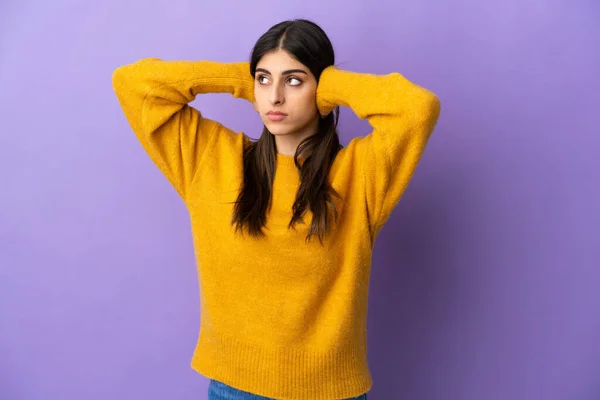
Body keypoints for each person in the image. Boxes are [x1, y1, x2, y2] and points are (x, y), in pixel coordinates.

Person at [112, 18, 440, 400]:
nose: (275, 98)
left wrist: (329, 83)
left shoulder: (359, 174)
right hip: (235, 389)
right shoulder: (212, 158)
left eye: (294, 81)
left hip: (331, 394)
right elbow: (132, 83)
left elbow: (417, 109)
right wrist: (241, 78)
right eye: (265, 80)